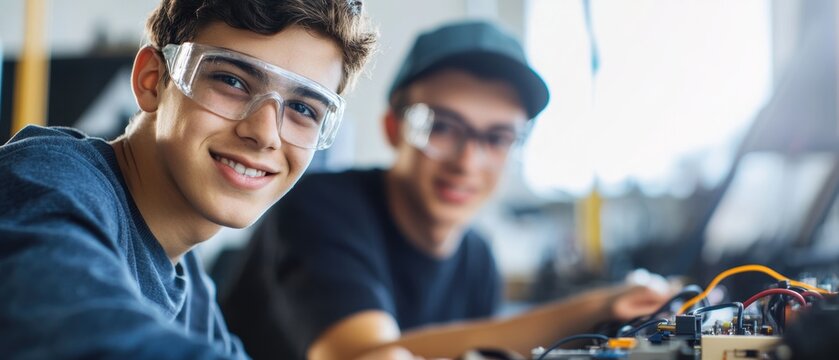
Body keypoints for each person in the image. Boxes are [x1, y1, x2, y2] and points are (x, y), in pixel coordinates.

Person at [221, 20, 668, 360]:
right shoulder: (319, 207)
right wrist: (595, 306)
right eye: (443, 127)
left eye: (496, 138)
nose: (468, 161)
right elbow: (362, 355)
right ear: (394, 128)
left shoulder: (478, 258)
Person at [0, 0, 376, 358]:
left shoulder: (189, 286)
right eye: (231, 80)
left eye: (302, 108)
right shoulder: (45, 179)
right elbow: (83, 334)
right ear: (152, 80)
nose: (265, 133)